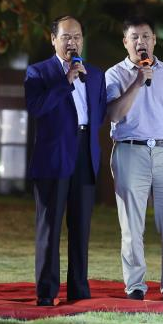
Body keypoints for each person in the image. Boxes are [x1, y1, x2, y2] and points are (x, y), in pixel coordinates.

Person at [105, 16, 163, 303]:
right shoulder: (115, 74)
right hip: (130, 151)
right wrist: (137, 82)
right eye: (134, 37)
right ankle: (135, 286)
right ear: (125, 42)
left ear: (154, 40)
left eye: (145, 36)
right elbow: (115, 114)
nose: (140, 41)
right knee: (132, 225)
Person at [24, 16, 107, 307]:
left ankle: (79, 291)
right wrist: (65, 81)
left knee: (81, 227)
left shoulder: (95, 74)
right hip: (54, 155)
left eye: (77, 37)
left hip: (85, 152)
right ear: (53, 39)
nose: (73, 42)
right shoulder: (38, 72)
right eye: (66, 37)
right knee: (50, 227)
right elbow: (36, 108)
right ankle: (47, 292)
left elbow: (100, 113)